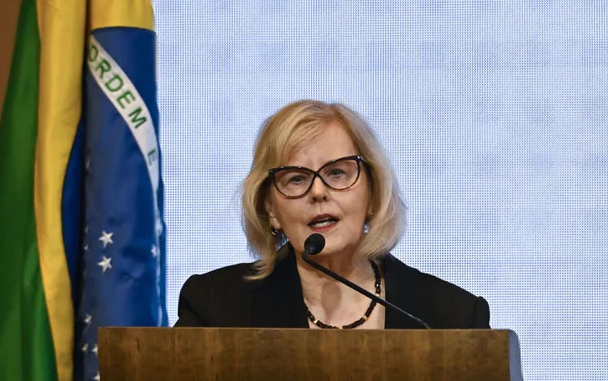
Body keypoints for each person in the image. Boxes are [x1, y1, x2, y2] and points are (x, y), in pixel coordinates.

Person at [174, 99, 490, 330]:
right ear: (271, 210)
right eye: (296, 178)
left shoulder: (452, 318)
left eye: (337, 173)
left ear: (373, 192)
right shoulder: (218, 310)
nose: (318, 192)